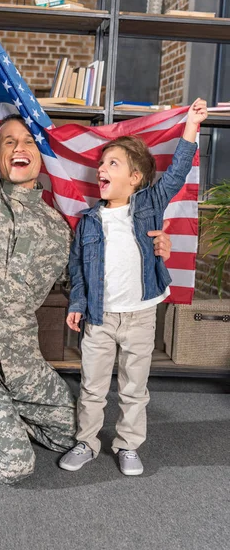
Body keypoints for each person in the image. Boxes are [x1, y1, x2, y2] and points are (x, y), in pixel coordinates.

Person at [0, 0, 173, 484]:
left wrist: (151, 249)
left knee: (75, 433)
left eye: (29, 139)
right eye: (8, 141)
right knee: (14, 464)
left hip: (20, 355)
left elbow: (101, 268)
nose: (19, 146)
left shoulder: (60, 228)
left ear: (43, 160)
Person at [59, 98, 207, 476]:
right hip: (99, 316)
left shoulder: (148, 206)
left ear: (135, 178)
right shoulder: (88, 220)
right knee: (92, 386)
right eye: (101, 164)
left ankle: (127, 445)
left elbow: (175, 174)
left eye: (113, 164)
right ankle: (87, 441)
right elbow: (77, 267)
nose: (101, 169)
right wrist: (77, 302)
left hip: (140, 314)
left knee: (134, 387)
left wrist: (190, 126)